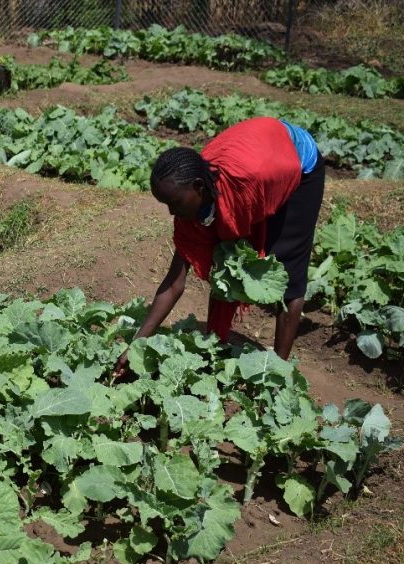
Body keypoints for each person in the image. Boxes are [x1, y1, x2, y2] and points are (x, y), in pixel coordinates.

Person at [115, 116, 325, 376]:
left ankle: (277, 373)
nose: (172, 212)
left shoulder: (249, 183)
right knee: (224, 257)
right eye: (166, 205)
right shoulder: (189, 201)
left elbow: (276, 178)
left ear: (199, 187)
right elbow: (174, 282)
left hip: (294, 166)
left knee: (288, 268)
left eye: (175, 204)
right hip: (260, 148)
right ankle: (217, 343)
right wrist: (136, 345)